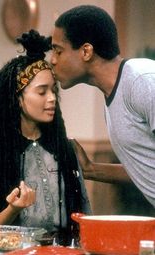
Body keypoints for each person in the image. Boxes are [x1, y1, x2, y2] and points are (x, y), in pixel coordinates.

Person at [0, 30, 91, 244]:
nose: (52, 99)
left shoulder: (64, 149)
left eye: (54, 91)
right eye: (42, 92)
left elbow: (84, 220)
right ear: (17, 98)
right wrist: (12, 210)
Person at [50, 5, 155, 209]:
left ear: (86, 51)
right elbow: (146, 171)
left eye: (58, 50)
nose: (52, 60)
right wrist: (90, 169)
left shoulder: (142, 82)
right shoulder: (114, 95)